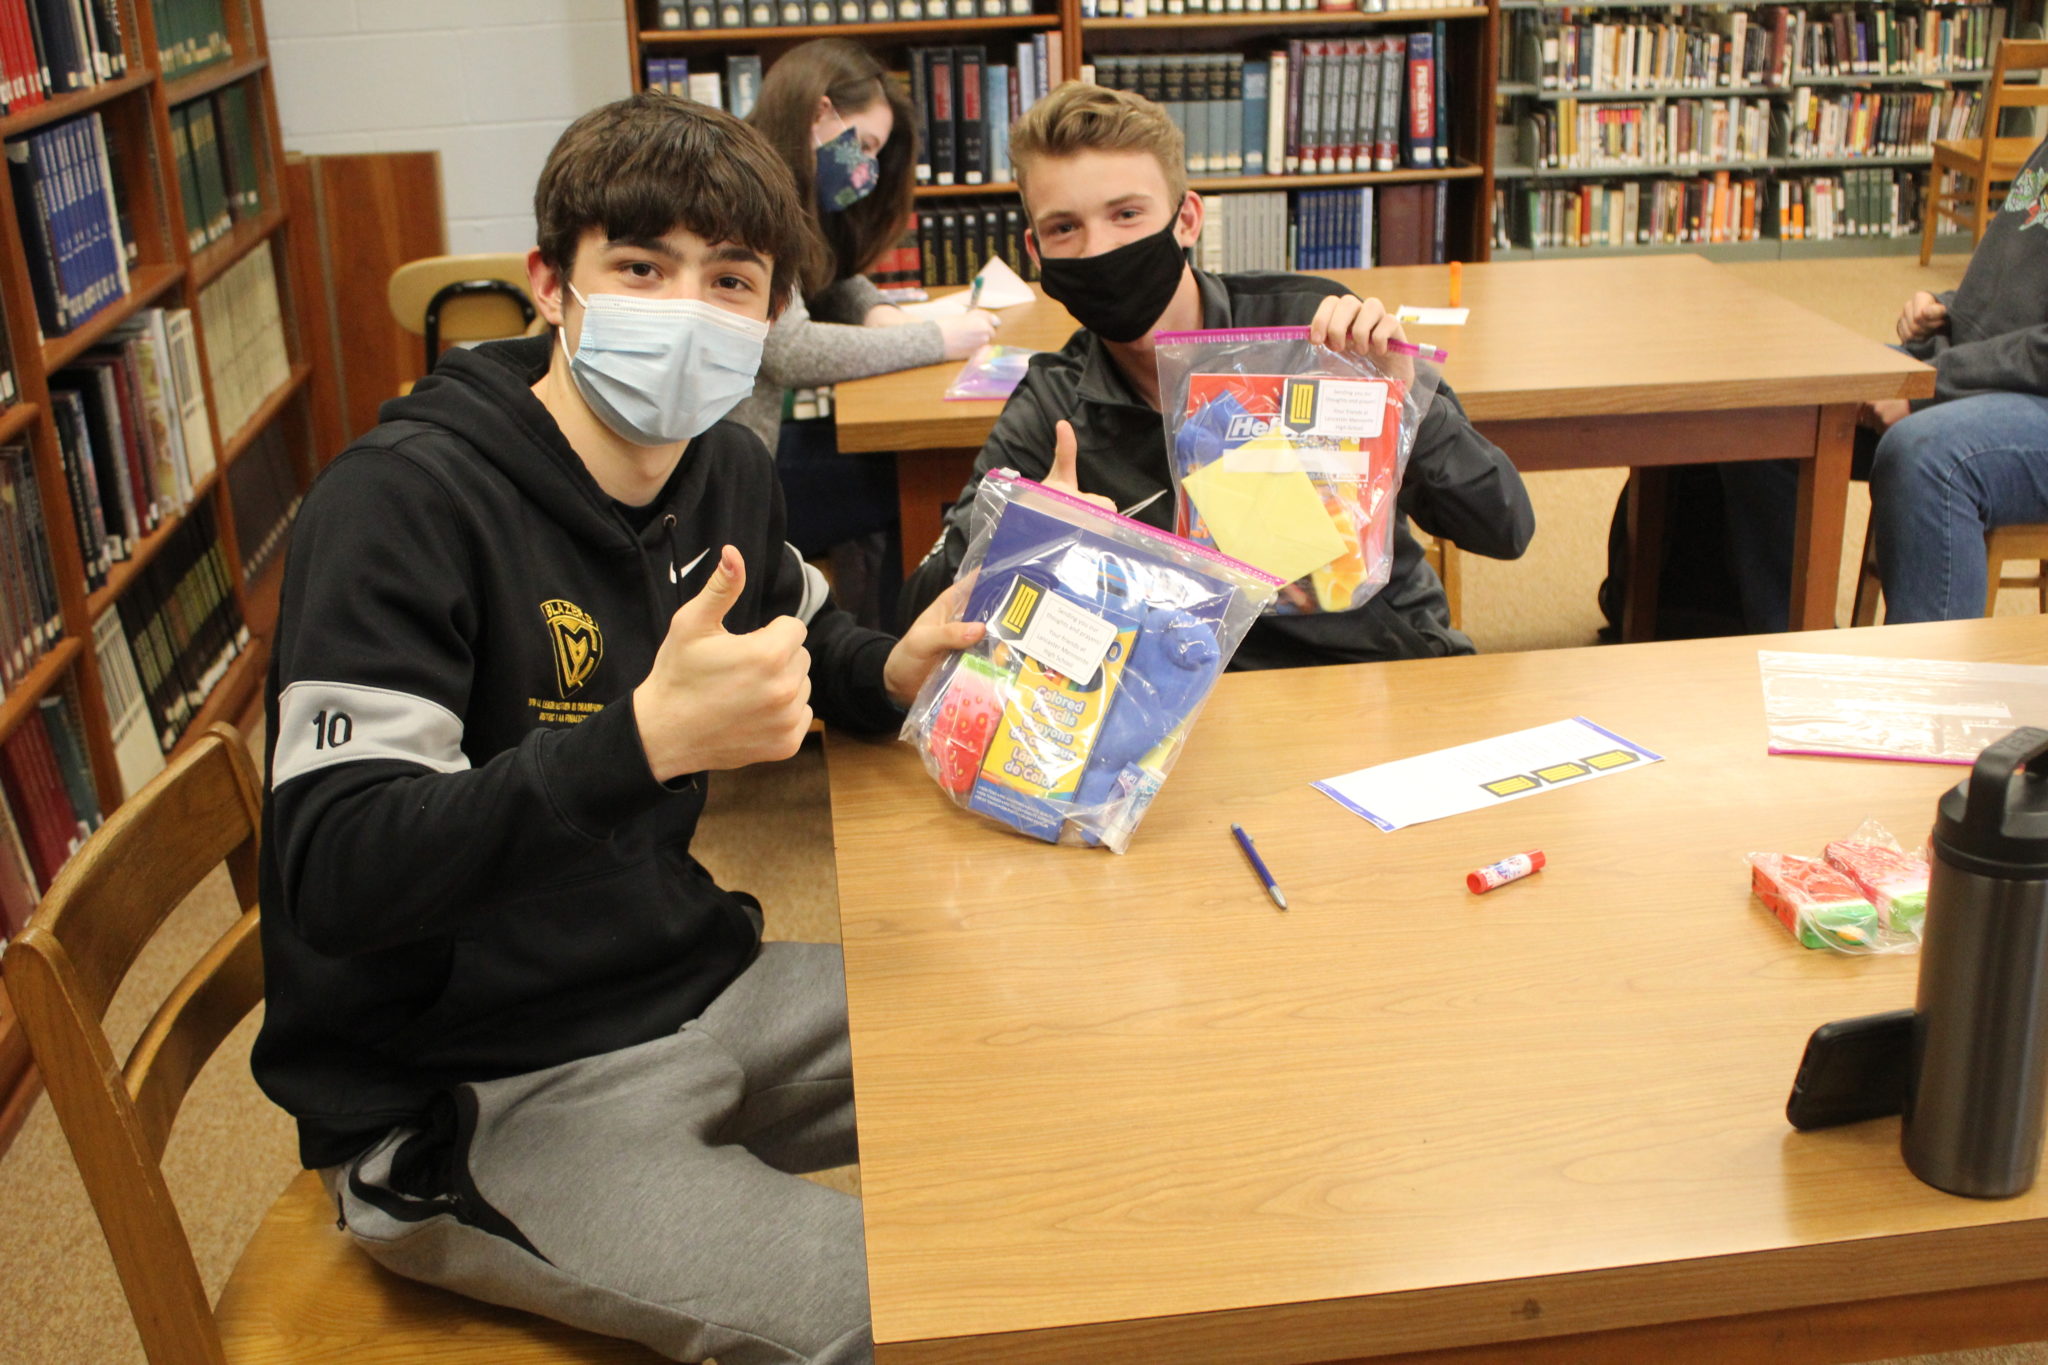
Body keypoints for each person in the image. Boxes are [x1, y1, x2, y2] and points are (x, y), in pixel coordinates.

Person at [250, 91, 977, 1365]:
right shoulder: (395, 506)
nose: (687, 313)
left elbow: (806, 635)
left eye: (730, 282)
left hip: (691, 978)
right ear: (552, 285)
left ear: (767, 320)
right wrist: (636, 745)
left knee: (1046, 1046)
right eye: (642, 269)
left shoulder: (722, 472)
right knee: (910, 1320)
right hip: (473, 1088)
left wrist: (890, 674)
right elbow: (337, 872)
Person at [899, 82, 1534, 665]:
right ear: (1036, 251)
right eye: (1065, 228)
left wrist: (1404, 404)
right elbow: (922, 613)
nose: (1098, 251)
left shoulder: (1310, 329)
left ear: (1186, 219)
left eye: (1126, 215)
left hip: (1374, 663)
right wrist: (1032, 531)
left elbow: (1504, 527)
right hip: (1192, 701)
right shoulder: (1056, 405)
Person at [740, 39, 999, 630]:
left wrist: (877, 311)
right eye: (868, 145)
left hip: (750, 453)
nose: (868, 167)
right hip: (735, 491)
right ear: (821, 114)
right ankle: (887, 665)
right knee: (912, 483)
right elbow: (791, 350)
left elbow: (826, 279)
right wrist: (937, 340)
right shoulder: (743, 200)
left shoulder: (771, 183)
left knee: (888, 465)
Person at [1868, 133, 2048, 622]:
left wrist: (1935, 386)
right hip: (2003, 374)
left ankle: (1932, 694)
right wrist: (1949, 309)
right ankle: (1746, 641)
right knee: (1790, 397)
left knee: (1927, 457)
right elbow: (2019, 291)